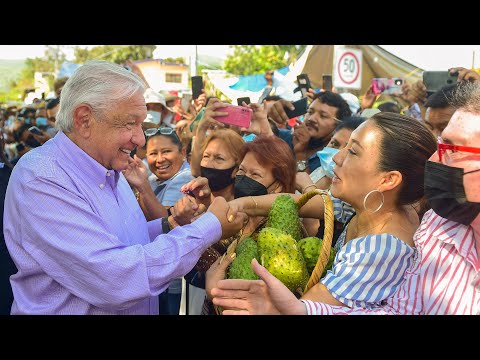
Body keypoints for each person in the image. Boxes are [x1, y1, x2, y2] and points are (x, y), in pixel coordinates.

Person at [2, 60, 246, 315]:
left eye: (141, 124)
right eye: (130, 124)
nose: (140, 138)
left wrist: (172, 224)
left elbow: (124, 240)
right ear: (84, 119)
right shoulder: (42, 178)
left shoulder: (107, 165)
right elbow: (115, 277)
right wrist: (210, 227)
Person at [211, 112, 438, 314]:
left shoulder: (380, 251)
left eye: (353, 152)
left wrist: (217, 292)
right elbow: (297, 202)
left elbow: (298, 309)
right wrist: (242, 204)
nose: (337, 158)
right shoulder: (376, 204)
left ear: (388, 179)